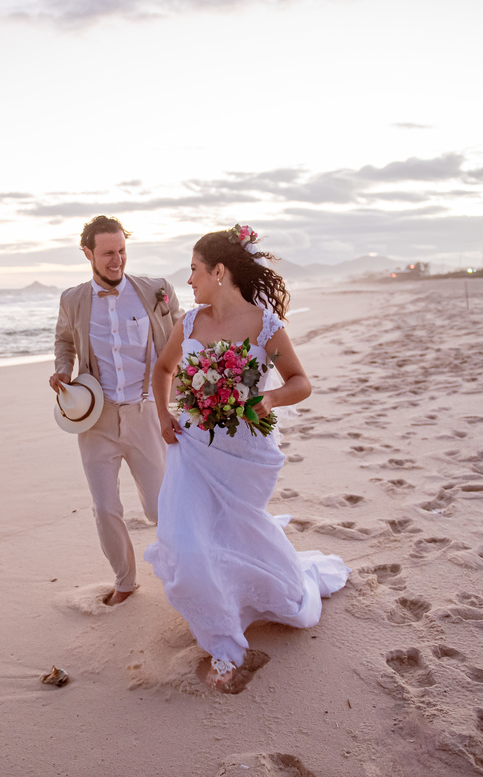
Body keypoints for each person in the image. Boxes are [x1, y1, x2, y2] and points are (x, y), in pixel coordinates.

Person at [144, 224, 349, 690]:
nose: (189, 280)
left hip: (242, 450)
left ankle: (266, 593)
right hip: (192, 448)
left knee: (235, 535)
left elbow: (301, 380)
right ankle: (224, 644)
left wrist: (271, 399)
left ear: (219, 271)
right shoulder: (190, 323)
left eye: (194, 270)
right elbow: (163, 369)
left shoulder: (264, 325)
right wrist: (163, 414)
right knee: (185, 539)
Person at [51, 215, 182, 606]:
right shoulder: (72, 299)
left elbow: (181, 339)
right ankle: (125, 581)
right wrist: (61, 369)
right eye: (108, 253)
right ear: (87, 253)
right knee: (106, 507)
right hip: (96, 419)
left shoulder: (156, 290)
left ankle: (181, 572)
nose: (117, 261)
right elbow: (63, 340)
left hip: (146, 413)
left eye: (122, 251)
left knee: (161, 505)